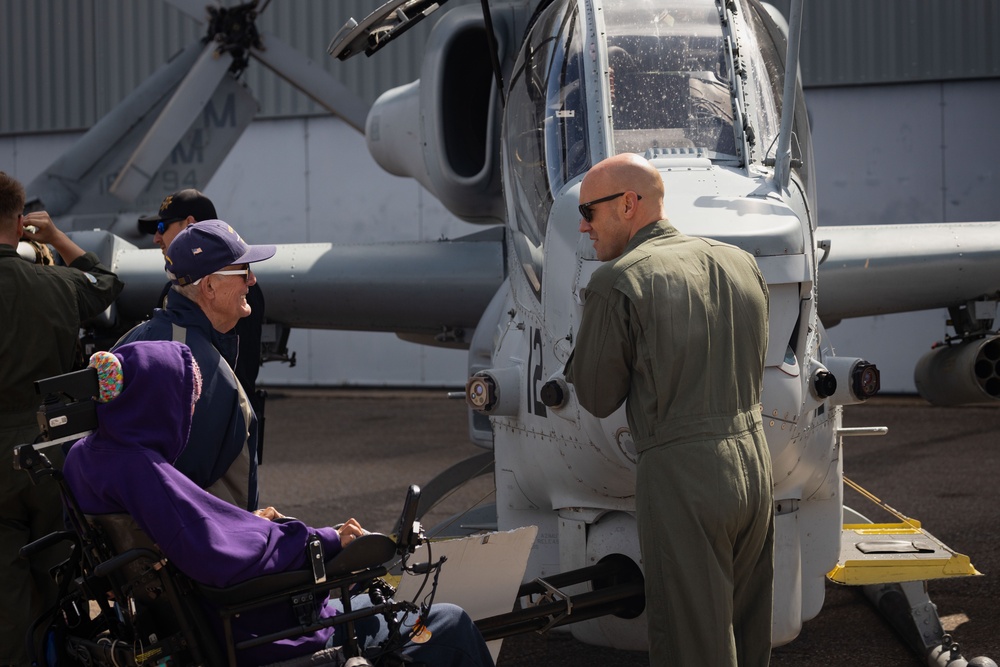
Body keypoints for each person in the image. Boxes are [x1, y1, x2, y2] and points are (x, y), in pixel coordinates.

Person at [62, 341, 494, 667]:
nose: (187, 412)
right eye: (184, 400)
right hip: (263, 629)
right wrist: (325, 541)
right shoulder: (141, 469)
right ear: (156, 401)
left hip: (197, 619)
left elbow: (197, 536)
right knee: (450, 621)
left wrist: (249, 523)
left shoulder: (88, 457)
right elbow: (218, 556)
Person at [563, 154, 773, 666]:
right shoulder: (739, 262)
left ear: (629, 204)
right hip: (753, 462)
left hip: (684, 477)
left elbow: (595, 393)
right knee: (747, 636)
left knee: (691, 646)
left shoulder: (618, 280)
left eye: (589, 210)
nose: (583, 225)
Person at [0, 172, 124, 667]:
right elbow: (106, 283)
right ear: (19, 219)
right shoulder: (58, 284)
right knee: (58, 573)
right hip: (49, 453)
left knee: (6, 589)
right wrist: (54, 237)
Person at [114, 220, 273, 512]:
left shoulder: (133, 338)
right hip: (201, 546)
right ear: (210, 286)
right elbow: (183, 489)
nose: (252, 280)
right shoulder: (202, 371)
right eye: (244, 271)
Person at [137, 189, 267, 420]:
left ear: (189, 224)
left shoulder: (238, 290)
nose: (156, 238)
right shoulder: (237, 288)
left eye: (161, 227)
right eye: (244, 270)